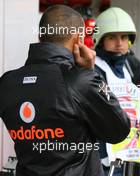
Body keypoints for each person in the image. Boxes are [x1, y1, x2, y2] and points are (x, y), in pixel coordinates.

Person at [0, 5, 130, 176]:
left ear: (40, 36)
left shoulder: (7, 82)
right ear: (79, 40)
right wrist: (90, 74)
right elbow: (119, 130)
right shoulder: (81, 81)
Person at [93, 7, 140, 176]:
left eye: (124, 37)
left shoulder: (133, 67)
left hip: (132, 156)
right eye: (112, 37)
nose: (119, 43)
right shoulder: (93, 69)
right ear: (100, 40)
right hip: (105, 161)